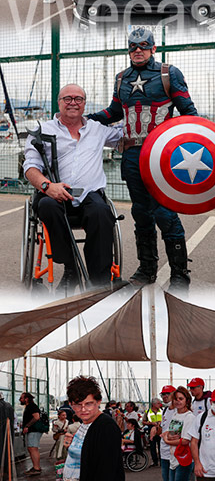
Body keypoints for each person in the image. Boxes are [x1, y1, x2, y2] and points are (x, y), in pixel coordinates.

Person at [89, 28, 198, 287]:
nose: (138, 50)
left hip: (162, 155)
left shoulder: (168, 73)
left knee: (165, 212)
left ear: (153, 48)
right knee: (141, 213)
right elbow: (114, 112)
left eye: (144, 45)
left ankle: (180, 274)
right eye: (133, 46)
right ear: (128, 49)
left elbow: (189, 113)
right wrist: (85, 120)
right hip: (132, 155)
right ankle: (146, 268)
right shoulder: (121, 79)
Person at [23, 84, 123, 290]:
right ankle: (72, 269)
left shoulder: (97, 129)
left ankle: (99, 282)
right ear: (59, 103)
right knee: (48, 206)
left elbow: (128, 136)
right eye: (67, 99)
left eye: (78, 99)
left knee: (101, 212)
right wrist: (47, 186)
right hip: (53, 191)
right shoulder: (42, 131)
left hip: (90, 194)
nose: (73, 103)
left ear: (84, 104)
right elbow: (30, 167)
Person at [63, 375, 124, 481]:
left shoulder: (106, 426)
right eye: (78, 405)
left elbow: (106, 470)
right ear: (71, 405)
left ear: (99, 402)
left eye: (88, 403)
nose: (83, 409)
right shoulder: (85, 424)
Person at [161, 387, 196, 481]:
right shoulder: (175, 414)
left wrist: (168, 440)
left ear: (187, 400)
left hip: (184, 459)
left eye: (181, 399)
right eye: (176, 399)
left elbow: (185, 440)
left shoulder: (189, 417)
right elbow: (167, 432)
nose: (178, 401)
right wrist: (171, 437)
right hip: (173, 458)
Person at [19, 392, 43, 475]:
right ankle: (36, 466)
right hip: (32, 430)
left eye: (21, 398)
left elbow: (36, 417)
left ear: (26, 399)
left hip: (34, 430)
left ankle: (36, 468)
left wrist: (27, 426)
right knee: (31, 448)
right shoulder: (30, 406)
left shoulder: (31, 406)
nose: (20, 400)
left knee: (33, 448)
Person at [142, 397, 162, 466]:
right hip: (151, 431)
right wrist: (150, 423)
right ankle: (155, 461)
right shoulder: (148, 412)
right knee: (152, 447)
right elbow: (143, 422)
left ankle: (162, 461)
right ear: (154, 404)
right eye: (158, 403)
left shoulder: (162, 411)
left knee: (161, 446)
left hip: (160, 430)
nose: (160, 404)